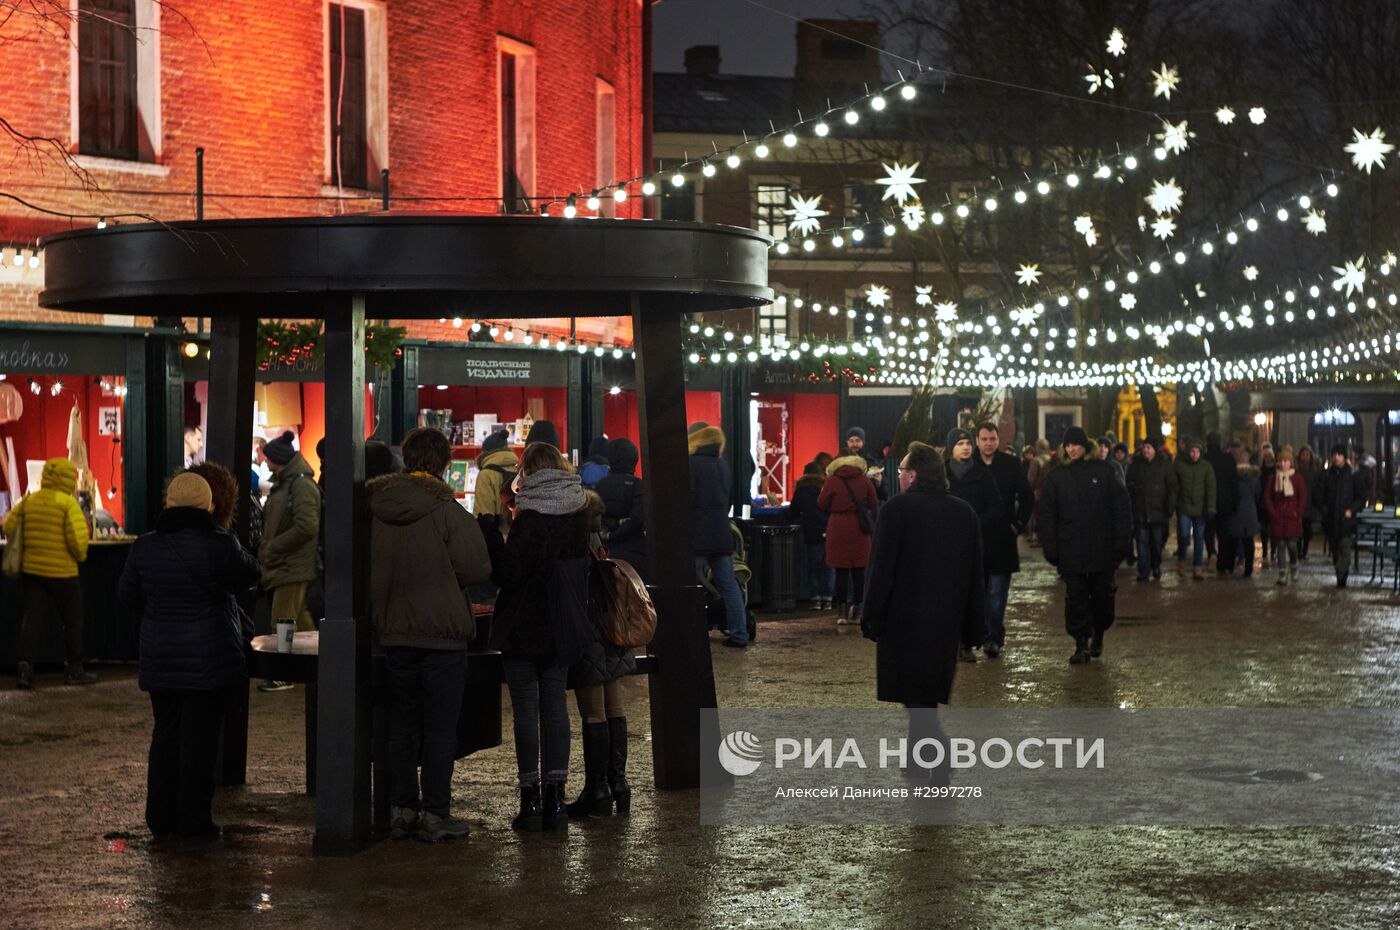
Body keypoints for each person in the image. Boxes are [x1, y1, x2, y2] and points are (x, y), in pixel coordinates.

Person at [367, 427, 492, 842]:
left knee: (401, 722)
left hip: (395, 633)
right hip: (442, 635)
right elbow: (476, 568)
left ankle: (402, 810)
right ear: (442, 463)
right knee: (440, 727)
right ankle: (436, 813)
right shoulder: (447, 510)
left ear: (406, 458)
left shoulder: (377, 507)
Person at [119, 472, 259, 839]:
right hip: (207, 659)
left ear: (169, 503)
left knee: (165, 736)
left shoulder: (144, 546)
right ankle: (194, 822)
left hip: (160, 657)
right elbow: (250, 574)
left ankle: (160, 819)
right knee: (199, 742)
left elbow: (127, 596)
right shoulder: (220, 544)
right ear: (208, 505)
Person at [482, 442, 592, 832]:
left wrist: (492, 535)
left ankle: (530, 802)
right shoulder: (578, 513)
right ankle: (557, 800)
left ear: (527, 471)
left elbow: (509, 575)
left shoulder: (530, 518)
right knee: (556, 708)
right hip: (561, 624)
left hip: (525, 625)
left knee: (527, 711)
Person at [860, 441, 984, 748]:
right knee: (923, 696)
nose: (899, 475)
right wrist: (974, 626)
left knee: (916, 697)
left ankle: (939, 754)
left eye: (901, 469)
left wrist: (872, 615)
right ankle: (918, 758)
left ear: (913, 475)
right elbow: (974, 575)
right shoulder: (964, 512)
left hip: (904, 621)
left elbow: (880, 569)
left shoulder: (896, 510)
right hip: (945, 622)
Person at [566, 492, 637, 820]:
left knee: (592, 711)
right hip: (612, 629)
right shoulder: (596, 535)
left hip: (588, 629)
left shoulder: (571, 537)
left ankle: (597, 790)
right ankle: (618, 784)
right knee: (614, 706)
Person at [1039, 426, 1131, 665]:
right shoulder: (1057, 477)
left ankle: (1098, 632)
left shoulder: (1104, 472)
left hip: (1101, 547)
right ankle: (1081, 642)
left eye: (1076, 444)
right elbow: (1047, 515)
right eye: (1068, 445)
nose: (1072, 449)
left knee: (1102, 595)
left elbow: (1121, 508)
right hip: (1071, 548)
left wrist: (1120, 544)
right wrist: (1051, 546)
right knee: (1076, 597)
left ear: (1085, 445)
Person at [4, 457, 94, 689]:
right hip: (63, 572)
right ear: (67, 479)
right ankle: (73, 669)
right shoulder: (67, 504)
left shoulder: (28, 501)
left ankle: (25, 670)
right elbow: (77, 540)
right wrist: (80, 555)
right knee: (72, 620)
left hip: (32, 571)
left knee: (32, 619)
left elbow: (8, 526)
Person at [256, 430, 320, 693]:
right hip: (287, 563)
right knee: (299, 620)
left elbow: (307, 526)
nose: (265, 462)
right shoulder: (289, 483)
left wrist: (273, 546)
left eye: (268, 458)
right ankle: (322, 666)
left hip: (290, 564)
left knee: (283, 620)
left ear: (277, 460)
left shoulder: (300, 485)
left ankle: (284, 673)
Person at [945, 427, 1005, 661]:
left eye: (968, 443)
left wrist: (976, 522)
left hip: (976, 543)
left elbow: (996, 507)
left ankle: (968, 642)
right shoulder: (944, 475)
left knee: (973, 593)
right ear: (952, 448)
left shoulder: (982, 474)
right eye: (960, 444)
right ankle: (951, 640)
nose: (966, 447)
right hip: (947, 543)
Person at [974, 423, 1033, 657]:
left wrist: (1017, 525)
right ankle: (980, 633)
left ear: (998, 440)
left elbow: (1026, 495)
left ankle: (993, 637)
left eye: (992, 438)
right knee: (979, 591)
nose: (988, 443)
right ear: (977, 441)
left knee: (997, 592)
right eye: (984, 439)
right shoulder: (970, 466)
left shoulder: (1010, 465)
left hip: (1002, 537)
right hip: (976, 538)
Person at [688, 425, 749, 647]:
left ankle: (690, 635)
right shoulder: (723, 465)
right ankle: (739, 634)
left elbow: (686, 501)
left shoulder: (690, 465)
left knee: (690, 586)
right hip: (722, 534)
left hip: (696, 535)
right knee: (729, 586)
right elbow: (729, 499)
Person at [819, 449, 879, 626]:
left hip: (837, 527)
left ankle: (842, 612)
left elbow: (821, 503)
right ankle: (858, 609)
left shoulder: (832, 481)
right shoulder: (864, 480)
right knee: (859, 571)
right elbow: (874, 503)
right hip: (859, 527)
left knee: (841, 571)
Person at [595, 437, 650, 583]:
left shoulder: (600, 486)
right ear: (634, 461)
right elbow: (638, 520)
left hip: (607, 551)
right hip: (635, 551)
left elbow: (596, 518)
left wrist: (609, 535)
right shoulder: (638, 485)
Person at [1313, 443, 1368, 587]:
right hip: (1331, 519)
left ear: (1344, 457)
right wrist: (1324, 510)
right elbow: (1318, 495)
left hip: (1346, 519)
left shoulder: (1352, 475)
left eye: (1339, 455)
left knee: (1345, 548)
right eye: (1334, 455)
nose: (1336, 457)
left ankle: (1341, 571)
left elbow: (1361, 497)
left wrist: (1352, 510)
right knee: (1336, 549)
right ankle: (1340, 577)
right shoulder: (1327, 475)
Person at [1126, 440, 1176, 582]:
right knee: (1142, 543)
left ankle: (1156, 565)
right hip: (1140, 511)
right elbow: (1128, 483)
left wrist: (1170, 506)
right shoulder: (1136, 465)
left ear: (1155, 450)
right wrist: (1135, 490)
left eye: (1149, 447)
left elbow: (1172, 486)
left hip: (1158, 512)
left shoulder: (1164, 466)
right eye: (1144, 447)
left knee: (1156, 542)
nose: (1145, 450)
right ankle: (1143, 570)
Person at [789, 461, 833, 610]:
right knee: (828, 568)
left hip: (811, 533)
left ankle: (815, 599)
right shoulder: (825, 488)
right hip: (828, 532)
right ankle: (827, 598)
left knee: (813, 568)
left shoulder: (801, 490)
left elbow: (793, 511)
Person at [1263, 446, 1307, 585]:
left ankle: (1294, 564)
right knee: (1280, 546)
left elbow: (1302, 496)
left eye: (1286, 461)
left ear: (1291, 463)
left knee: (1292, 545)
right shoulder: (1273, 478)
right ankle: (1282, 573)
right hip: (1278, 517)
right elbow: (1267, 496)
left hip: (1292, 517)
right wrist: (1273, 512)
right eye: (1281, 461)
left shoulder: (1297, 479)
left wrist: (1298, 512)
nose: (1283, 464)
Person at [1174, 438, 1216, 580]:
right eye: (1192, 451)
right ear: (1188, 452)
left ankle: (1197, 566)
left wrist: (1211, 506)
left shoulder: (1206, 467)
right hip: (1184, 506)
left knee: (1199, 537)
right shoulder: (1180, 465)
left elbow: (1211, 488)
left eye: (1197, 451)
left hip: (1201, 508)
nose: (1194, 454)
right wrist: (1175, 503)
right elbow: (1175, 486)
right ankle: (1182, 560)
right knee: (1184, 535)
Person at [1222, 449, 1262, 578]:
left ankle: (1229, 566)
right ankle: (1248, 569)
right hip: (1250, 512)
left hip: (1235, 511)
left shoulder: (1232, 477)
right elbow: (1258, 496)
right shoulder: (1254, 478)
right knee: (1248, 541)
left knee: (1233, 540)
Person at [1204, 433, 1239, 573]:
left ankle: (1212, 553)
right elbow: (1233, 482)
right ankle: (1222, 562)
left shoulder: (1205, 459)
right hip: (1225, 502)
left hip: (1209, 502)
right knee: (1224, 534)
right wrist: (1235, 501)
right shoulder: (1228, 459)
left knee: (1209, 531)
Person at [472, 429, 517, 519]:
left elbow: (484, 513)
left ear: (485, 452)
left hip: (496, 530)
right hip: (518, 530)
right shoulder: (519, 469)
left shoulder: (486, 475)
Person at [843, 427, 888, 500]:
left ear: (863, 442)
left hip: (868, 507)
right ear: (847, 442)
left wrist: (879, 484)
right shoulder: (841, 463)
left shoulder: (872, 463)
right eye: (851, 441)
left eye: (857, 441)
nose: (854, 444)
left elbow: (884, 495)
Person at [1296, 444, 1322, 559]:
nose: (1305, 457)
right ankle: (1298, 551)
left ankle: (1304, 551)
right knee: (1298, 530)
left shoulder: (1314, 471)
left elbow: (1316, 487)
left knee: (1307, 530)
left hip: (1310, 503)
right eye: (1303, 454)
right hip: (1298, 503)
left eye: (1307, 454)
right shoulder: (1296, 470)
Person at [1258, 446, 1277, 566]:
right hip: (1263, 503)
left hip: (1274, 502)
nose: (1267, 458)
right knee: (1264, 529)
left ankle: (1273, 551)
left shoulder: (1276, 470)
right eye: (1265, 455)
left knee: (1273, 528)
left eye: (1269, 455)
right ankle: (1265, 550)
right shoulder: (1260, 471)